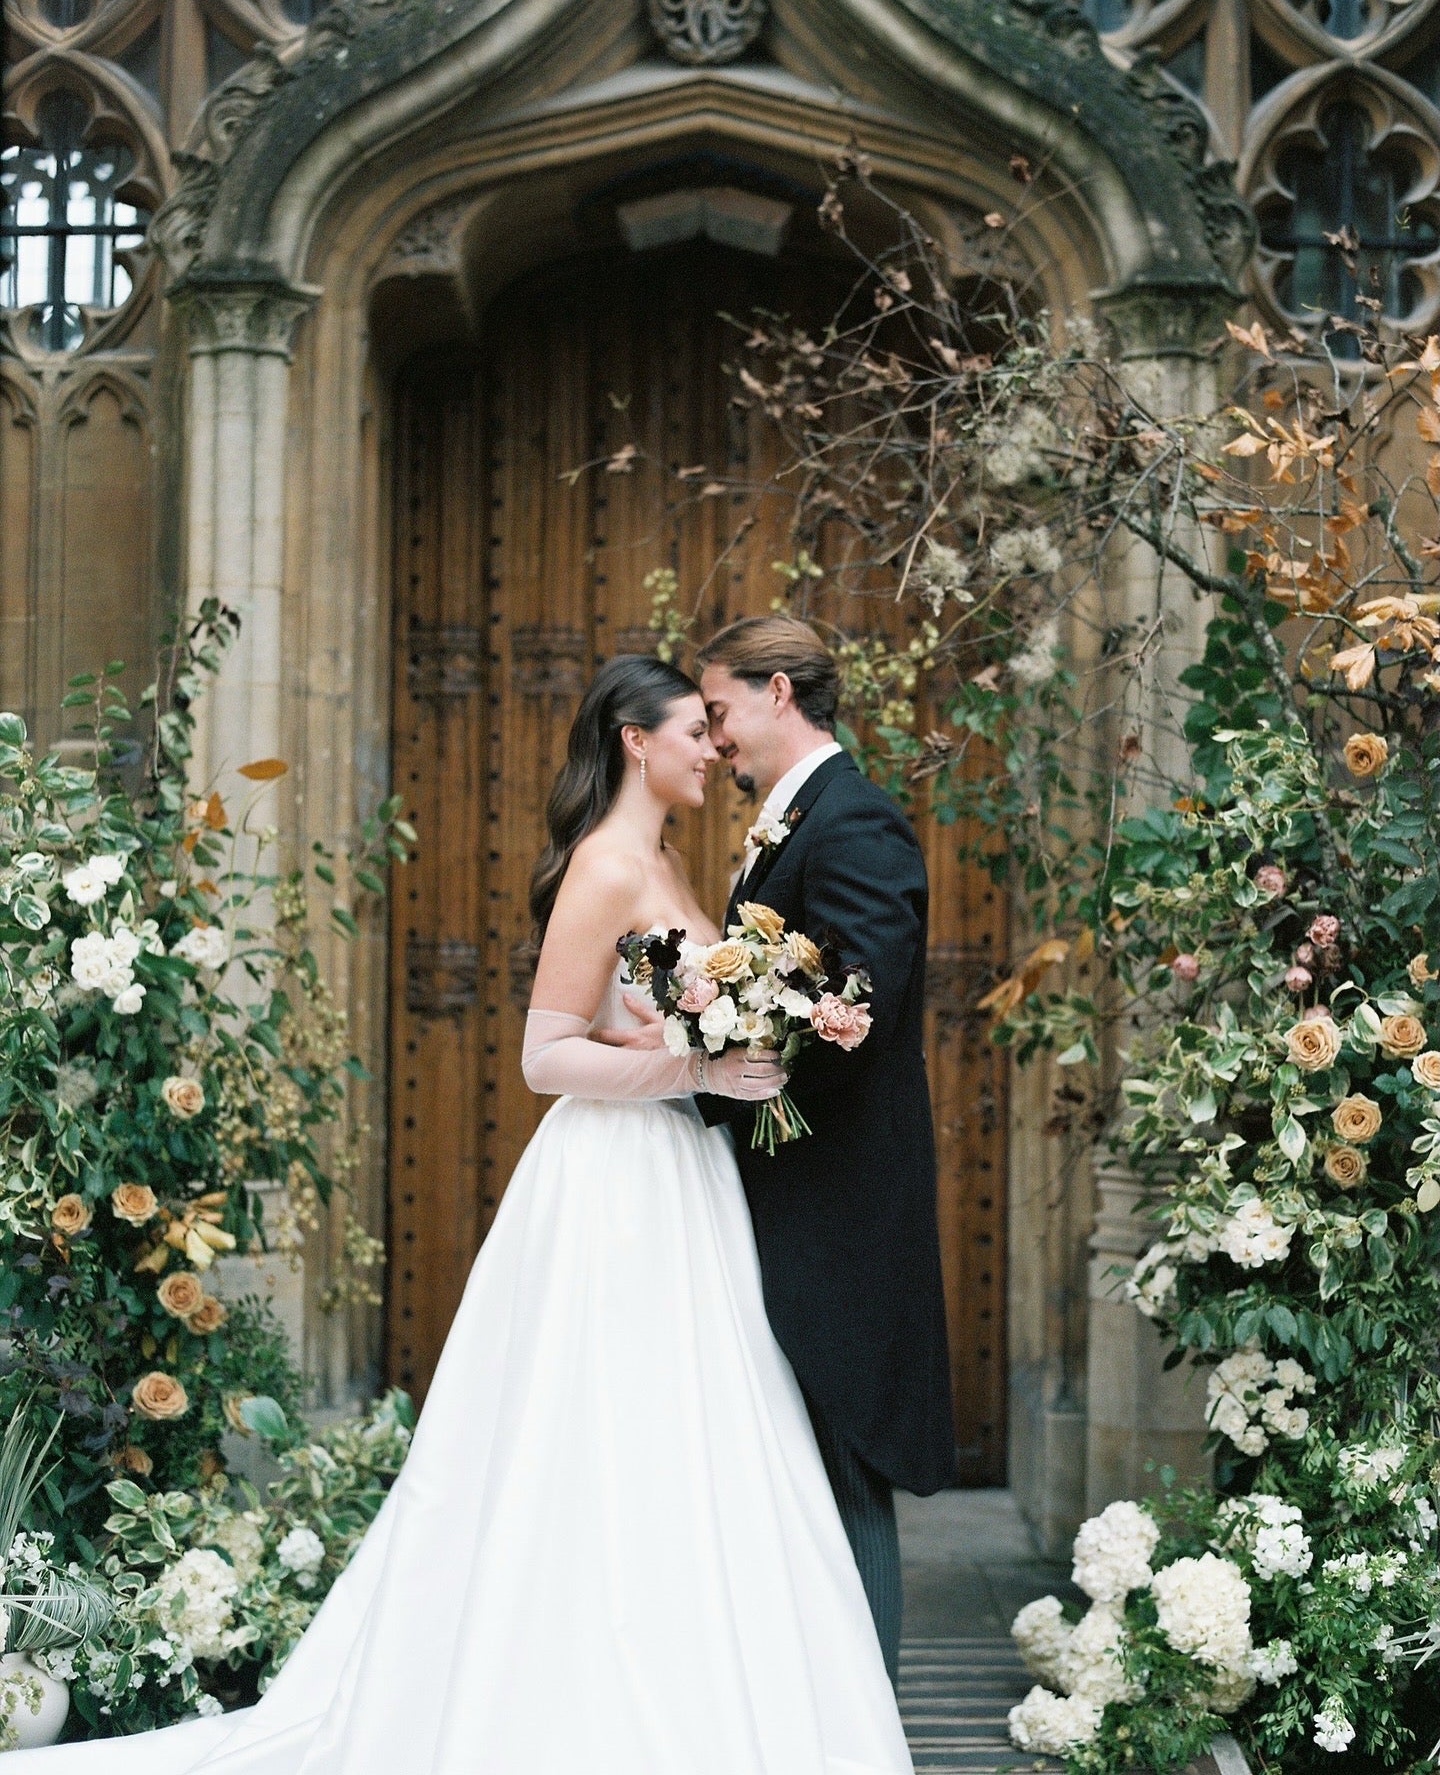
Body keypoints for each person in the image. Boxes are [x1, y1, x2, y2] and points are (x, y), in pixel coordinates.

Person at [9, 654, 914, 1775]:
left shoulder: (679, 858)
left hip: (687, 1182)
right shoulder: (603, 865)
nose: (710, 749)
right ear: (637, 740)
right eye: (692, 730)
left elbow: (642, 1021)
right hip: (614, 1185)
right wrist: (692, 1074)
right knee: (598, 1431)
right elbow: (544, 1055)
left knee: (700, 1430)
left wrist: (702, 1048)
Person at [661, 617, 953, 1683]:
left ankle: (866, 1725)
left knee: (843, 1466)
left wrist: (731, 1055)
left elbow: (860, 998)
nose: (716, 737)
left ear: (778, 693)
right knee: (805, 1469)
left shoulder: (856, 821)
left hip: (839, 1207)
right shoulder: (801, 821)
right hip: (795, 1197)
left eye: (723, 712)